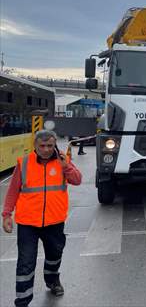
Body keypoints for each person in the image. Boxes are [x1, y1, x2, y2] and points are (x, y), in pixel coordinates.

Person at [2, 130, 82, 306]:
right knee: (26, 262)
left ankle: (52, 280)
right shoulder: (24, 163)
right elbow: (13, 190)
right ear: (35, 146)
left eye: (50, 146)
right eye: (42, 146)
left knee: (54, 255)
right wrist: (6, 214)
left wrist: (65, 167)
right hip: (27, 222)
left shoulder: (62, 161)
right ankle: (22, 301)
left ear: (55, 145)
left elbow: (77, 180)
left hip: (54, 221)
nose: (46, 150)